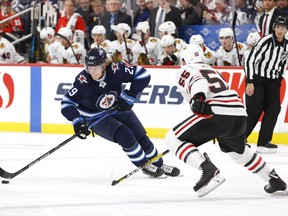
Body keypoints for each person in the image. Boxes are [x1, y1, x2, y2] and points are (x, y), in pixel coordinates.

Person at [164, 43, 287, 197]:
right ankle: (273, 179)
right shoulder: (212, 69)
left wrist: (198, 98)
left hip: (216, 113)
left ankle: (207, 169)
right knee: (239, 152)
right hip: (239, 114)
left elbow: (198, 82)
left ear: (183, 60)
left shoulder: (186, 69)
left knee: (173, 138)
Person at [60, 47, 180, 178]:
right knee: (125, 135)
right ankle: (144, 165)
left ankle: (158, 164)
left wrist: (130, 94)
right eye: (89, 67)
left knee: (141, 136)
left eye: (96, 67)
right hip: (95, 117)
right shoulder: (82, 81)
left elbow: (143, 74)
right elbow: (66, 103)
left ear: (104, 65)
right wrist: (77, 122)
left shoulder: (116, 70)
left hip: (117, 108)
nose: (92, 71)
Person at [244, 15, 288, 153]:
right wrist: (250, 81)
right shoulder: (265, 41)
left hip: (273, 82)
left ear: (287, 30)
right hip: (257, 79)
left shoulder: (287, 45)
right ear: (274, 27)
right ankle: (239, 139)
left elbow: (283, 63)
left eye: (283, 28)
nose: (280, 30)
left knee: (274, 109)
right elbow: (249, 60)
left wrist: (278, 79)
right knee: (254, 110)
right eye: (278, 27)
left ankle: (263, 142)